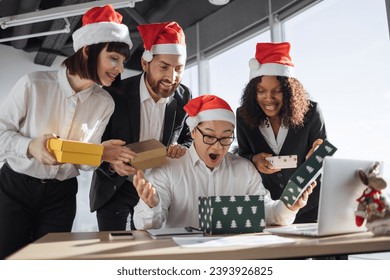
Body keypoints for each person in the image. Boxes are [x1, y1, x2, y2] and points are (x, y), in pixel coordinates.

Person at [0, 4, 135, 259]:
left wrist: (99, 154)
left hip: (61, 195)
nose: (119, 68)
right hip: (15, 187)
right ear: (87, 51)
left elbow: (84, 166)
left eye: (123, 62)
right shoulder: (34, 84)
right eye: (114, 58)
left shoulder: (105, 102)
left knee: (48, 266)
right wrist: (30, 146)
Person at [132, 95, 316, 229]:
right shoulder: (167, 168)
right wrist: (151, 204)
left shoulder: (244, 170)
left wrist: (289, 206)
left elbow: (269, 213)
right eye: (210, 137)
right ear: (194, 132)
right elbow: (146, 224)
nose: (218, 147)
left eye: (226, 138)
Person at [89, 21, 192, 231]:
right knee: (115, 252)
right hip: (116, 187)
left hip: (157, 189)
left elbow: (188, 137)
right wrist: (111, 163)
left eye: (178, 69)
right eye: (163, 67)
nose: (171, 77)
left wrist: (184, 148)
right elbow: (92, 141)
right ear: (145, 64)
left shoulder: (184, 96)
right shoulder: (114, 93)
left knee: (147, 250)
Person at [236, 42, 326, 223]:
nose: (268, 98)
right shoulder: (243, 115)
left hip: (311, 204)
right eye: (261, 91)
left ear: (290, 91)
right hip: (271, 206)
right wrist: (254, 159)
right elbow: (241, 155)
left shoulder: (311, 112)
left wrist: (317, 155)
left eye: (277, 91)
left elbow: (323, 154)